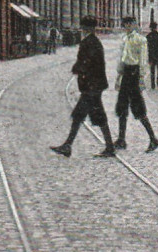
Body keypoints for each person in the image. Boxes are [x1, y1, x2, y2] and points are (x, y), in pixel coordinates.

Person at [50, 16, 116, 159]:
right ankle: (70, 145)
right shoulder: (95, 41)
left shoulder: (89, 42)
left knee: (84, 116)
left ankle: (70, 146)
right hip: (94, 86)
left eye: (83, 26)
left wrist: (78, 68)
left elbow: (87, 62)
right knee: (85, 116)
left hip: (92, 86)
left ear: (86, 28)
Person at [114, 16, 158, 153]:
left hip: (134, 74)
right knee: (122, 107)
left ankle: (153, 139)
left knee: (138, 108)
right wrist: (119, 76)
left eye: (130, 24)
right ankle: (121, 139)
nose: (127, 26)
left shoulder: (141, 40)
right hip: (125, 74)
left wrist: (141, 78)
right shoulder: (125, 39)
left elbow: (143, 60)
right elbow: (122, 59)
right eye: (125, 24)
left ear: (134, 24)